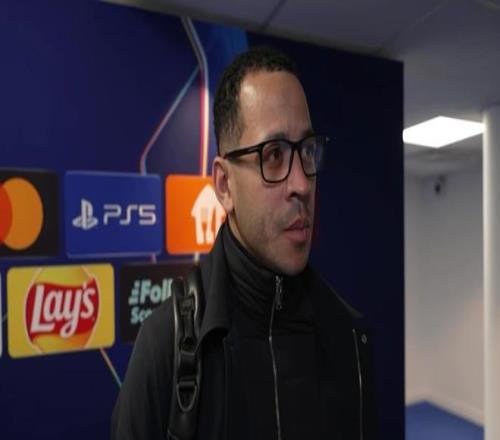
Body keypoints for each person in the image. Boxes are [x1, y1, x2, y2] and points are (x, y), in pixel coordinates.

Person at [112, 46, 375, 440]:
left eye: (306, 151)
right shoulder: (165, 349)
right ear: (224, 185)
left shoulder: (347, 338)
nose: (302, 184)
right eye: (273, 155)